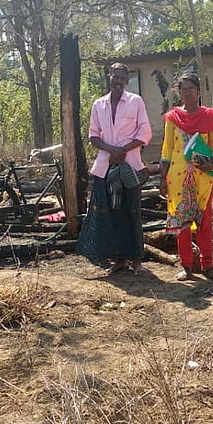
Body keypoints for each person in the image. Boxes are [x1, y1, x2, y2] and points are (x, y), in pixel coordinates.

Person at [76, 62, 153, 275]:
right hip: (106, 167)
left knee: (132, 212)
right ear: (109, 76)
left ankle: (136, 260)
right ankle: (119, 260)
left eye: (122, 77)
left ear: (127, 80)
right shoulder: (98, 105)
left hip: (130, 167)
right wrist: (112, 151)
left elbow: (145, 133)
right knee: (111, 214)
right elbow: (93, 135)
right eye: (115, 76)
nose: (118, 81)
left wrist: (123, 150)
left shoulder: (135, 102)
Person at [159, 72, 213, 281]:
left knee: (204, 221)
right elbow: (167, 148)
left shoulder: (208, 115)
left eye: (191, 89)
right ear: (179, 92)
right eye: (183, 89)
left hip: (202, 178)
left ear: (198, 91)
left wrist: (212, 163)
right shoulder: (172, 118)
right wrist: (162, 177)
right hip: (177, 179)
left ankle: (208, 265)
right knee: (183, 224)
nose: (187, 93)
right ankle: (186, 265)